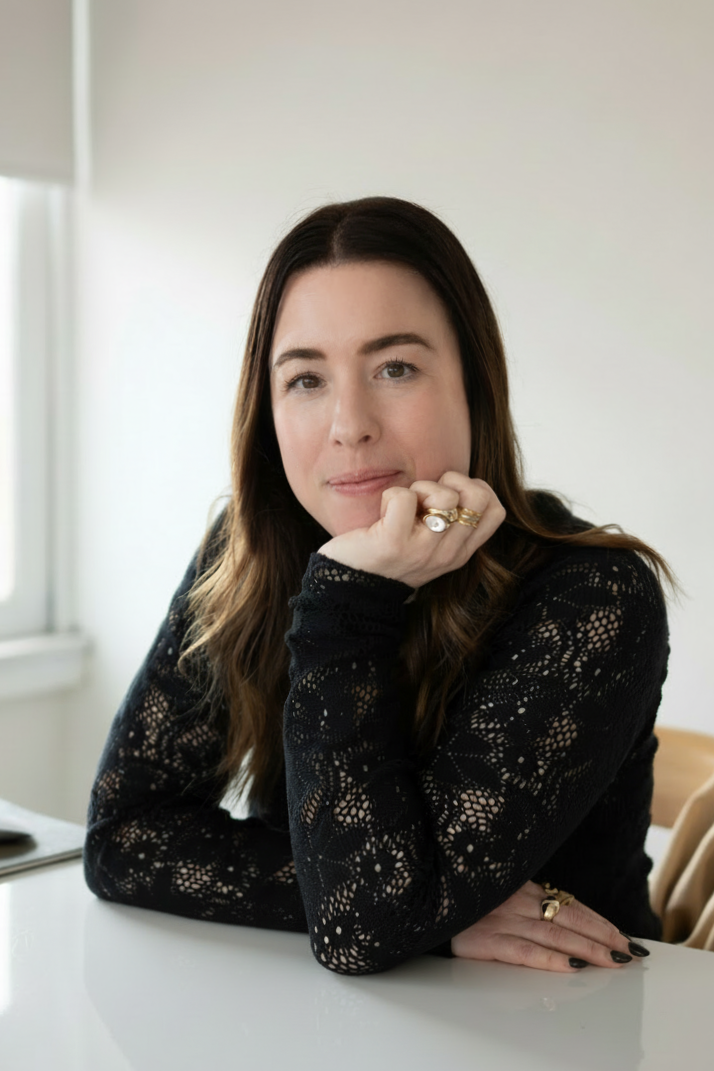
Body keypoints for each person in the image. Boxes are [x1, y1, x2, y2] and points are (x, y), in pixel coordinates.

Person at [84, 196, 671, 976]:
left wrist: (346, 604)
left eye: (395, 368)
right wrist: (427, 910)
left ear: (475, 384)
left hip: (572, 1017)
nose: (349, 423)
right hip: (330, 1023)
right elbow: (122, 838)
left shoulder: (595, 598)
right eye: (305, 379)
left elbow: (363, 924)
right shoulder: (251, 550)